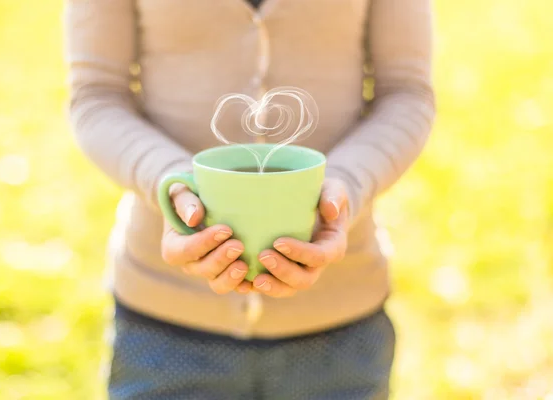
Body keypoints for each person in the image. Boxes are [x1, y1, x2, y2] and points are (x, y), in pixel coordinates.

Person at [64, 0, 434, 398]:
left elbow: (405, 92)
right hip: (164, 325)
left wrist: (343, 187)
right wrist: (174, 183)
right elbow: (97, 95)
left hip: (340, 325)